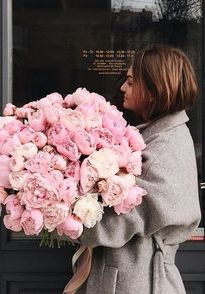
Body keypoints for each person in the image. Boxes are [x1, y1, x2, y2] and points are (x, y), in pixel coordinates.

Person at [73, 46, 201, 294]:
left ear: (154, 91)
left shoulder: (166, 147)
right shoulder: (158, 136)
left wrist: (65, 215)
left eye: (131, 82)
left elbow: (122, 221)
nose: (123, 88)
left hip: (138, 283)